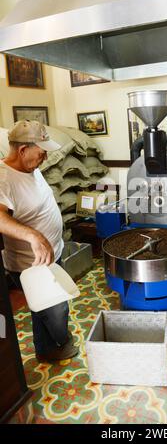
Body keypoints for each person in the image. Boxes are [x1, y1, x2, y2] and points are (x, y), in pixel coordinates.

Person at [0, 120, 78, 362]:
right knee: (55, 310)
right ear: (23, 150)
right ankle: (60, 344)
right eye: (41, 151)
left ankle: (45, 349)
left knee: (42, 308)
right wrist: (33, 235)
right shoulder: (4, 179)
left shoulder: (29, 168)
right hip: (32, 265)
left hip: (52, 254)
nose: (45, 157)